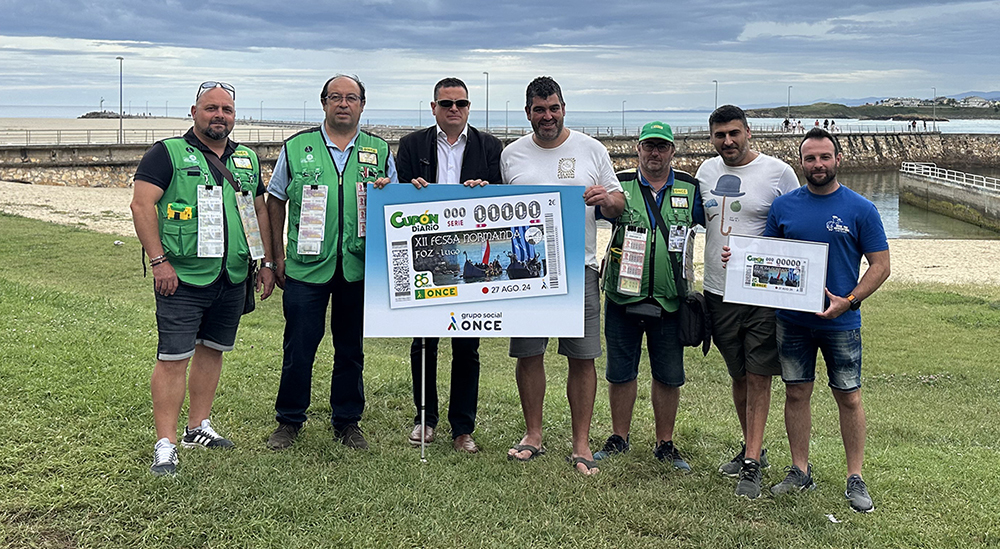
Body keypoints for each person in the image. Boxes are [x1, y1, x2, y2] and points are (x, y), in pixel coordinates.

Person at [727, 127, 890, 512]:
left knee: (848, 397)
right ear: (801, 162)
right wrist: (737, 262)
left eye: (824, 157)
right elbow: (766, 258)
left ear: (838, 160)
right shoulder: (785, 206)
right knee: (797, 393)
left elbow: (880, 266)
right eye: (810, 158)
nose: (818, 164)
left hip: (841, 322)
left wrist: (849, 300)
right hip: (792, 321)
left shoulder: (861, 208)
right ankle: (800, 469)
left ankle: (855, 477)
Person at [131, 81, 276, 476]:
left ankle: (199, 426)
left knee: (213, 350)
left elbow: (257, 211)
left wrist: (264, 262)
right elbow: (142, 206)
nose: (219, 116)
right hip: (182, 277)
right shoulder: (167, 153)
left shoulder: (246, 158)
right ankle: (165, 443)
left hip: (231, 275)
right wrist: (159, 261)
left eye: (226, 110)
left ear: (234, 116)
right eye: (211, 108)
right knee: (173, 358)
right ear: (194, 111)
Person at [265, 74, 397, 451]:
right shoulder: (297, 147)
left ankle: (347, 421)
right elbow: (275, 200)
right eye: (335, 97)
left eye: (351, 98)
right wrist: (276, 258)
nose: (343, 103)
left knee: (351, 348)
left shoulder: (380, 151)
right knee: (299, 347)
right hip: (306, 267)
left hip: (358, 267)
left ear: (362, 105)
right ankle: (289, 420)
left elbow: (398, 207)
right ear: (323, 103)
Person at [501, 76, 625, 475]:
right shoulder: (511, 155)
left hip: (579, 268)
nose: (547, 116)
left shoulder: (591, 149)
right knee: (528, 354)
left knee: (582, 358)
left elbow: (619, 201)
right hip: (527, 273)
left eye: (553, 107)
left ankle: (581, 443)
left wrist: (606, 199)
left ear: (564, 108)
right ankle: (533, 434)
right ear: (528, 113)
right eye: (539, 109)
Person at [695, 105, 800, 498]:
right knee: (738, 373)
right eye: (720, 135)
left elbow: (796, 228)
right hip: (718, 292)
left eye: (734, 133)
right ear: (712, 138)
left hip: (762, 293)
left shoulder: (777, 172)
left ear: (748, 133)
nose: (728, 142)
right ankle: (750, 446)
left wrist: (758, 255)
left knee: (759, 374)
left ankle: (753, 462)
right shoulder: (706, 173)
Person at [396, 77, 503, 453]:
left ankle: (463, 428)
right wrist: (406, 188)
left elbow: (501, 203)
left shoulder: (490, 146)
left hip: (469, 251)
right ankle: (424, 418)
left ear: (469, 107)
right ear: (433, 107)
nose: (453, 109)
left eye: (460, 103)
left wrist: (485, 191)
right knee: (423, 341)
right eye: (446, 103)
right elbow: (396, 198)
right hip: (425, 252)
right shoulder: (410, 145)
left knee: (466, 345)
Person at [592, 122, 705, 471]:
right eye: (648, 146)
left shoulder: (691, 187)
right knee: (620, 371)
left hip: (671, 299)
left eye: (662, 146)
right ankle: (618, 438)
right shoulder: (619, 185)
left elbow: (718, 228)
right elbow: (590, 217)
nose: (654, 153)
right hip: (623, 296)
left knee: (669, 374)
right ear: (637, 148)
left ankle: (665, 443)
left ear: (673, 150)